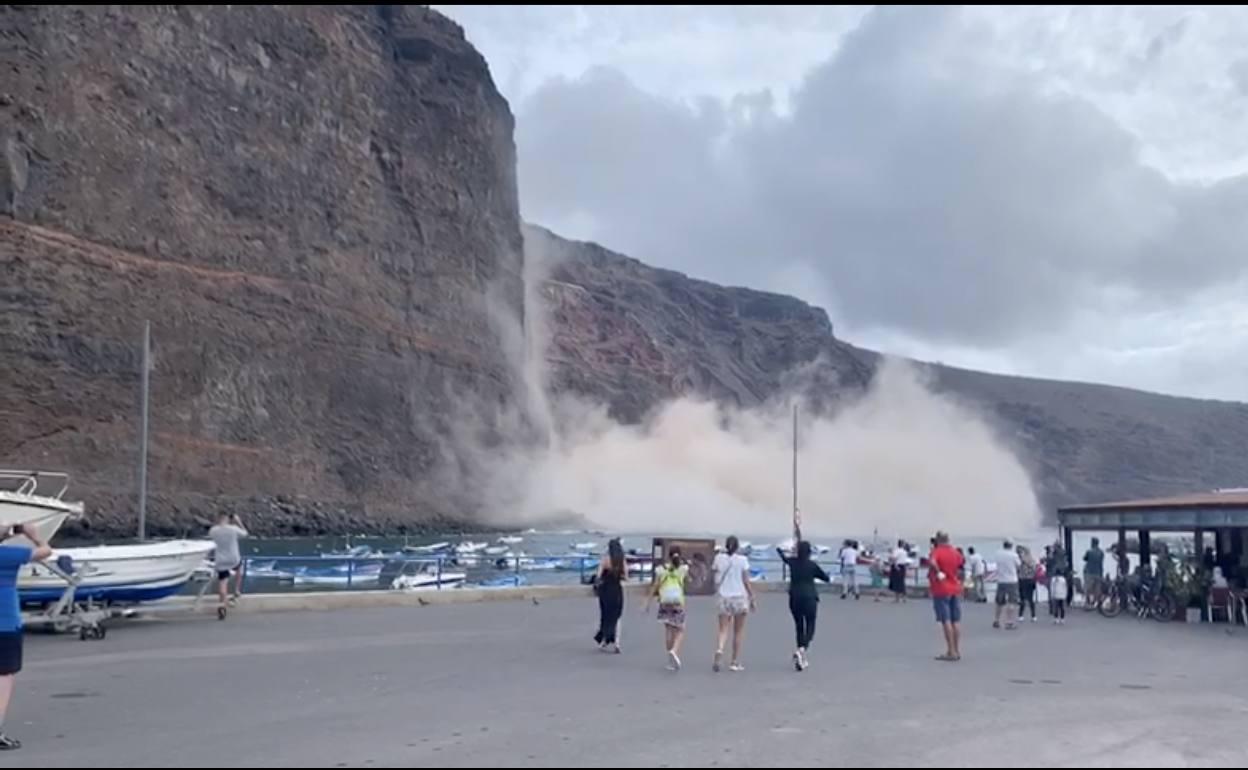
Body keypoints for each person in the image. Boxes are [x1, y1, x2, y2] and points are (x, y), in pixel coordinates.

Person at [0, 523, 54, 750]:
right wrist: (34, 536)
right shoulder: (8, 555)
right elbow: (46, 551)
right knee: (3, 676)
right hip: (5, 623)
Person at [777, 541, 831, 671]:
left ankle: (801, 655)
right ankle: (802, 650)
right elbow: (826, 578)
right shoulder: (812, 565)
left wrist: (780, 550)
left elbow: (783, 557)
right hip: (809, 597)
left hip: (794, 597)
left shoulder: (793, 562)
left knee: (799, 626)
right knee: (811, 625)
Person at [712, 536, 755, 672]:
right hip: (739, 598)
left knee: (723, 629)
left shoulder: (718, 558)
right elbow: (746, 581)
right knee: (738, 631)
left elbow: (714, 573)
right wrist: (752, 597)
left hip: (724, 597)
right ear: (737, 547)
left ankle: (719, 649)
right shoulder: (742, 560)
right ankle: (734, 661)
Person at [648, 547, 690, 671]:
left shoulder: (661, 570)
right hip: (678, 602)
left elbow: (655, 586)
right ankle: (674, 650)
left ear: (668, 556)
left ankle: (670, 659)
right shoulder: (683, 569)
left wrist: (647, 602)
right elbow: (688, 581)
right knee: (681, 628)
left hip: (665, 602)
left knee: (668, 629)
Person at [929, 531, 965, 662]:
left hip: (941, 588)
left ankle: (951, 651)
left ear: (938, 540)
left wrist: (938, 572)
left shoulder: (937, 551)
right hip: (955, 587)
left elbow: (932, 562)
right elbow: (961, 567)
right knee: (956, 620)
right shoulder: (955, 552)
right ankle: (957, 649)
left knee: (946, 620)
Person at [209, 514, 248, 620]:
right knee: (239, 569)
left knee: (223, 583)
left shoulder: (213, 530)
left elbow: (212, 537)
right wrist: (239, 521)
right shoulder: (233, 529)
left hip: (220, 560)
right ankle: (236, 591)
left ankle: (222, 605)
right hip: (233, 558)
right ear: (227, 519)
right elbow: (245, 533)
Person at [594, 539, 626, 653]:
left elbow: (598, 577)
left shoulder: (605, 560)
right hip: (617, 590)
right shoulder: (621, 561)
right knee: (617, 617)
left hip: (606, 591)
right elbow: (626, 576)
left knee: (606, 616)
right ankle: (617, 643)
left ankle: (604, 641)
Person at [993, 540, 1022, 630]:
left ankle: (996, 620)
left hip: (1001, 580)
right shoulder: (1014, 555)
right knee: (1012, 601)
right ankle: (1009, 622)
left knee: (999, 602)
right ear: (1011, 546)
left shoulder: (998, 553)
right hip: (1012, 580)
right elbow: (1019, 565)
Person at [1017, 546, 1038, 622]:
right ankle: (1022, 615)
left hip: (1027, 580)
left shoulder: (1029, 561)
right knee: (1024, 598)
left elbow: (1034, 569)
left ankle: (1032, 615)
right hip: (1025, 580)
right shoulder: (1021, 561)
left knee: (1029, 599)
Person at [1083, 537, 1105, 608]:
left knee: (1088, 588)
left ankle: (1088, 603)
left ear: (1092, 543)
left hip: (1089, 572)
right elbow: (1101, 563)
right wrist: (1102, 574)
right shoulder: (1101, 552)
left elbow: (1084, 558)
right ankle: (1097, 603)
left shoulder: (1089, 551)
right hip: (1098, 572)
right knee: (1097, 589)